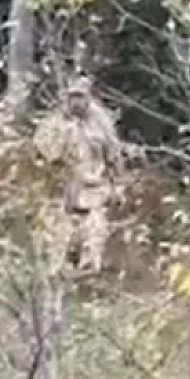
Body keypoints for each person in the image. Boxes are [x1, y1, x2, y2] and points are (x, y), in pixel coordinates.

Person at [53, 77, 126, 273]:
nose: (75, 102)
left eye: (80, 97)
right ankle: (59, 266)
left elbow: (114, 154)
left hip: (95, 183)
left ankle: (90, 266)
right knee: (62, 227)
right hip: (67, 185)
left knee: (95, 224)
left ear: (88, 98)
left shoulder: (101, 122)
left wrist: (118, 185)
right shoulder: (60, 120)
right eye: (72, 97)